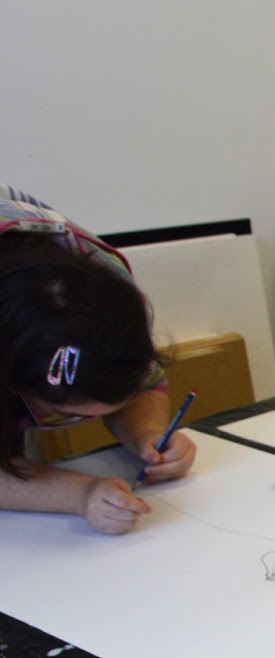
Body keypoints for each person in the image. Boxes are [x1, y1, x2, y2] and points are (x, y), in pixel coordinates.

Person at [0, 186, 196, 533]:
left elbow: (141, 385)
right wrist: (80, 494)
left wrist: (147, 435)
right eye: (73, 413)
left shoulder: (106, 291)